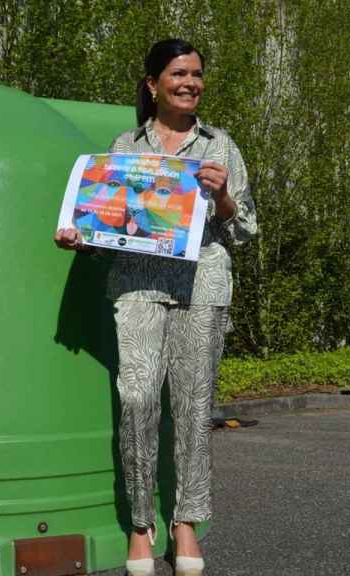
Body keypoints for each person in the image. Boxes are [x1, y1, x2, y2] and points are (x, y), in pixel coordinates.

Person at [54, 39, 257, 576]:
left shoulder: (221, 147)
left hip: (202, 287)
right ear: (153, 84)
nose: (189, 82)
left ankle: (186, 522)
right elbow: (109, 227)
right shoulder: (125, 144)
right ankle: (140, 525)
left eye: (196, 74)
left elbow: (245, 229)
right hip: (138, 286)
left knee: (193, 407)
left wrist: (224, 198)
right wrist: (82, 237)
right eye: (177, 74)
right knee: (138, 398)